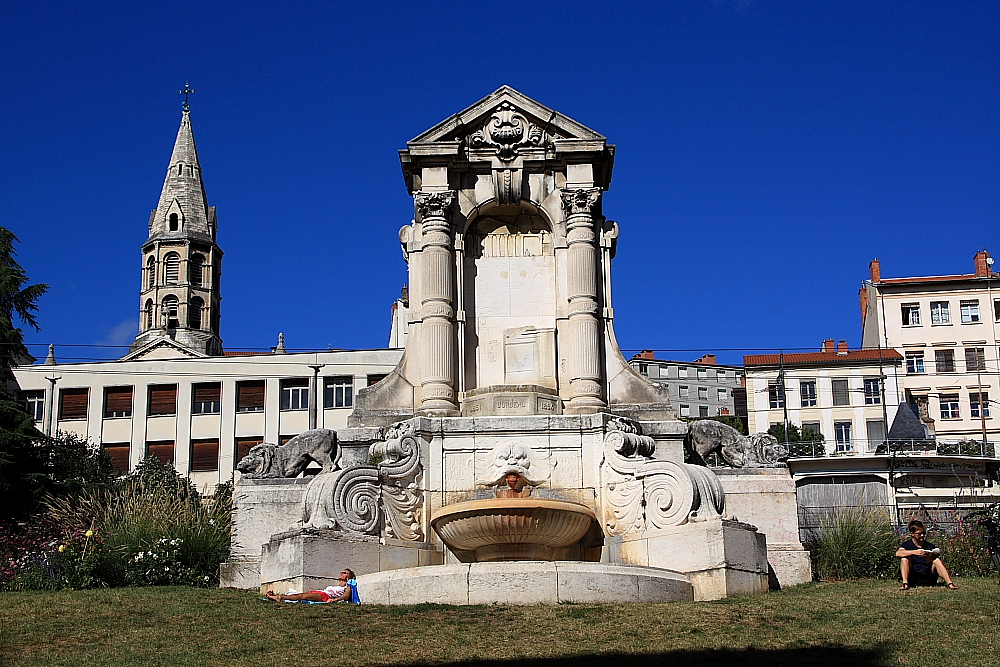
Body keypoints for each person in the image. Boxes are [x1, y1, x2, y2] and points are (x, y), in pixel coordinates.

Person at [896, 521, 957, 590]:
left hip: (928, 574)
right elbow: (898, 553)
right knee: (904, 559)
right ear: (912, 534)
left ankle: (950, 583)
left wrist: (928, 558)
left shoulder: (929, 546)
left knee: (937, 560)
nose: (922, 536)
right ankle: (905, 583)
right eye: (919, 534)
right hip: (913, 576)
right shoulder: (907, 545)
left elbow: (932, 562)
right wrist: (915, 552)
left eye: (923, 533)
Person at [265, 569, 357, 603]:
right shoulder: (336, 586)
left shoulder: (347, 586)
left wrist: (334, 600)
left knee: (301, 596)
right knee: (300, 595)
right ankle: (277, 596)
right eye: (341, 572)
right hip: (321, 593)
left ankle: (279, 597)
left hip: (325, 596)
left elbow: (346, 596)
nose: (341, 573)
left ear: (348, 577)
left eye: (344, 573)